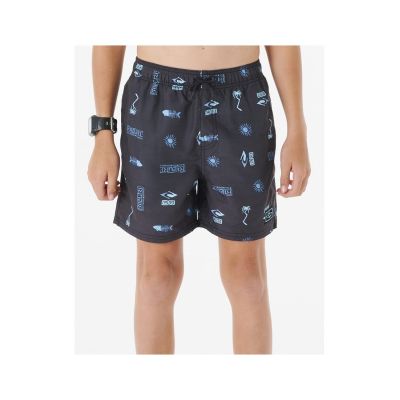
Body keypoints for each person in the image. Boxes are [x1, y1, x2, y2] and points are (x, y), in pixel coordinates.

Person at [87, 45, 311, 354]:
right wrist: (102, 133)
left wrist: (297, 130)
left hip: (240, 98)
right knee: (157, 278)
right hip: (157, 99)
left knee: (247, 278)